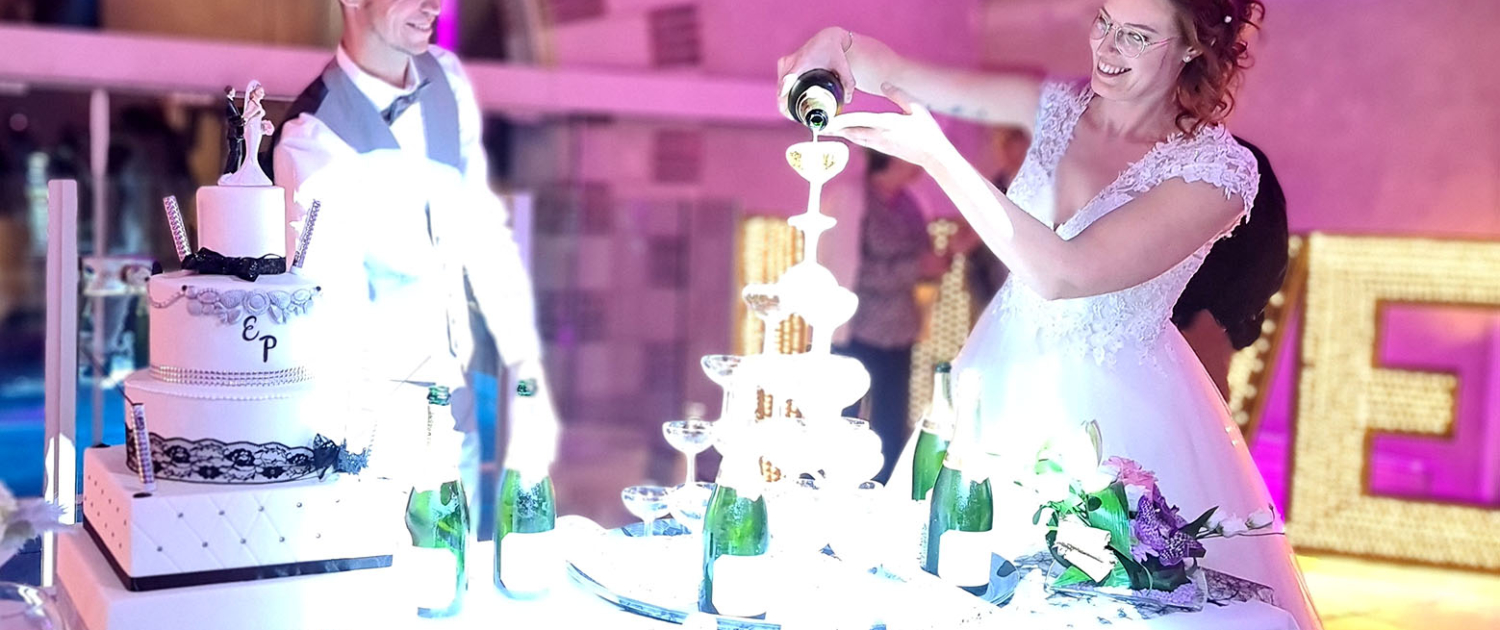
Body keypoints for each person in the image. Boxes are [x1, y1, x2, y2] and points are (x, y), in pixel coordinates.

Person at [777, 1, 1319, 628]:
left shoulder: (1218, 173)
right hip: (997, 376)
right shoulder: (1052, 108)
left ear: (1195, 47)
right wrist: (834, 46)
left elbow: (1065, 274)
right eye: (1105, 21)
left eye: (1137, 36)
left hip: (1115, 416)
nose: (1108, 48)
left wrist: (940, 159)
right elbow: (896, 71)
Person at [272, 0, 557, 521]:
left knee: (458, 588)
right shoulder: (312, 139)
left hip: (459, 414)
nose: (434, 5)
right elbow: (329, 325)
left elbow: (483, 229)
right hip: (377, 444)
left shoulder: (446, 79)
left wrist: (523, 359)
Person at [836, 148, 943, 485]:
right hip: (856, 328)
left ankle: (881, 493)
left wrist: (937, 262)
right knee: (841, 419)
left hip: (899, 330)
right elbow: (850, 271)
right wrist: (916, 267)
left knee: (891, 424)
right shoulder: (853, 198)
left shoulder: (911, 203)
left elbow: (924, 260)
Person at [1172, 137, 1288, 397]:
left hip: (1195, 346)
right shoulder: (1087, 146)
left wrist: (1215, 319)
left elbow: (1266, 260)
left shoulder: (1239, 164)